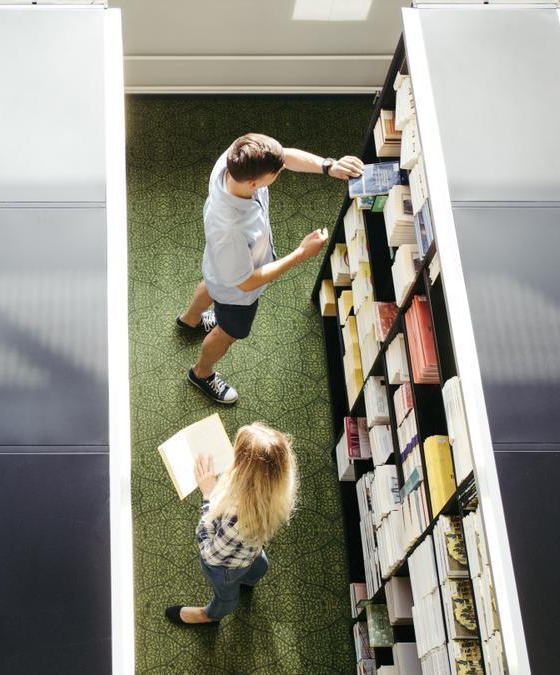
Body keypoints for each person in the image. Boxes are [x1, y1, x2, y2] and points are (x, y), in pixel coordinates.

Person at [176, 133, 363, 404]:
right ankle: (201, 372)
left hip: (219, 267)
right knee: (228, 333)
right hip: (237, 291)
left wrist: (327, 166)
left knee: (210, 284)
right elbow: (246, 282)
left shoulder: (236, 158)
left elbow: (283, 156)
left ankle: (189, 320)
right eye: (277, 173)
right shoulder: (231, 229)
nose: (283, 169)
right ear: (254, 183)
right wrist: (301, 253)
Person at [165, 421, 299, 626]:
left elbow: (210, 554)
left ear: (247, 473)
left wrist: (208, 494)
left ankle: (210, 616)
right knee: (258, 565)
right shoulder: (276, 493)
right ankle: (249, 581)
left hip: (227, 568)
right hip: (252, 553)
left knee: (226, 596)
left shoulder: (236, 516)